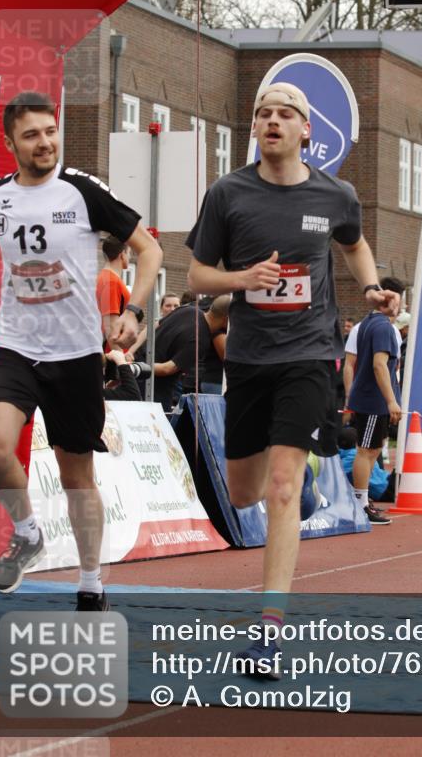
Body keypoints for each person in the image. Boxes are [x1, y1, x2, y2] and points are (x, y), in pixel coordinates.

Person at [185, 81, 398, 676]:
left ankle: (270, 631)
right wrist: (242, 279)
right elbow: (198, 276)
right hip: (250, 358)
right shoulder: (229, 193)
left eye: (286, 114)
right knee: (244, 494)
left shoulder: (337, 194)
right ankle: (303, 484)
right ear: (254, 129)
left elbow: (352, 244)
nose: (272, 121)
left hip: (309, 355)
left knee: (276, 489)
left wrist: (372, 285)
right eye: (263, 114)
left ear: (306, 131)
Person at [0, 92, 162, 609]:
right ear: (10, 144)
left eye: (50, 131)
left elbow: (150, 249)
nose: (45, 142)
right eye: (32, 135)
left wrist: (134, 310)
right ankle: (26, 533)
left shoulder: (83, 192)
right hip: (17, 348)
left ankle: (91, 581)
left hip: (75, 355)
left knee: (77, 478)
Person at [343, 292, 403, 525]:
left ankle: (363, 500)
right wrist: (390, 400)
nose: (401, 305)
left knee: (373, 450)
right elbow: (380, 365)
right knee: (367, 450)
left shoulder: (367, 323)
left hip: (371, 397)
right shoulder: (383, 328)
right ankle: (360, 504)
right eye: (399, 300)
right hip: (373, 398)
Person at [154, 296, 230, 412]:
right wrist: (137, 367)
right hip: (157, 387)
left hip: (146, 375)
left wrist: (132, 355)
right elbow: (167, 368)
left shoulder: (189, 310)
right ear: (226, 319)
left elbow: (155, 325)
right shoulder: (201, 339)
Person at [95, 236, 131, 347]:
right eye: (129, 253)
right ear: (122, 254)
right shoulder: (112, 282)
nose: (129, 257)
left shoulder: (103, 278)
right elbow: (110, 326)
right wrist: (121, 360)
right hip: (111, 351)